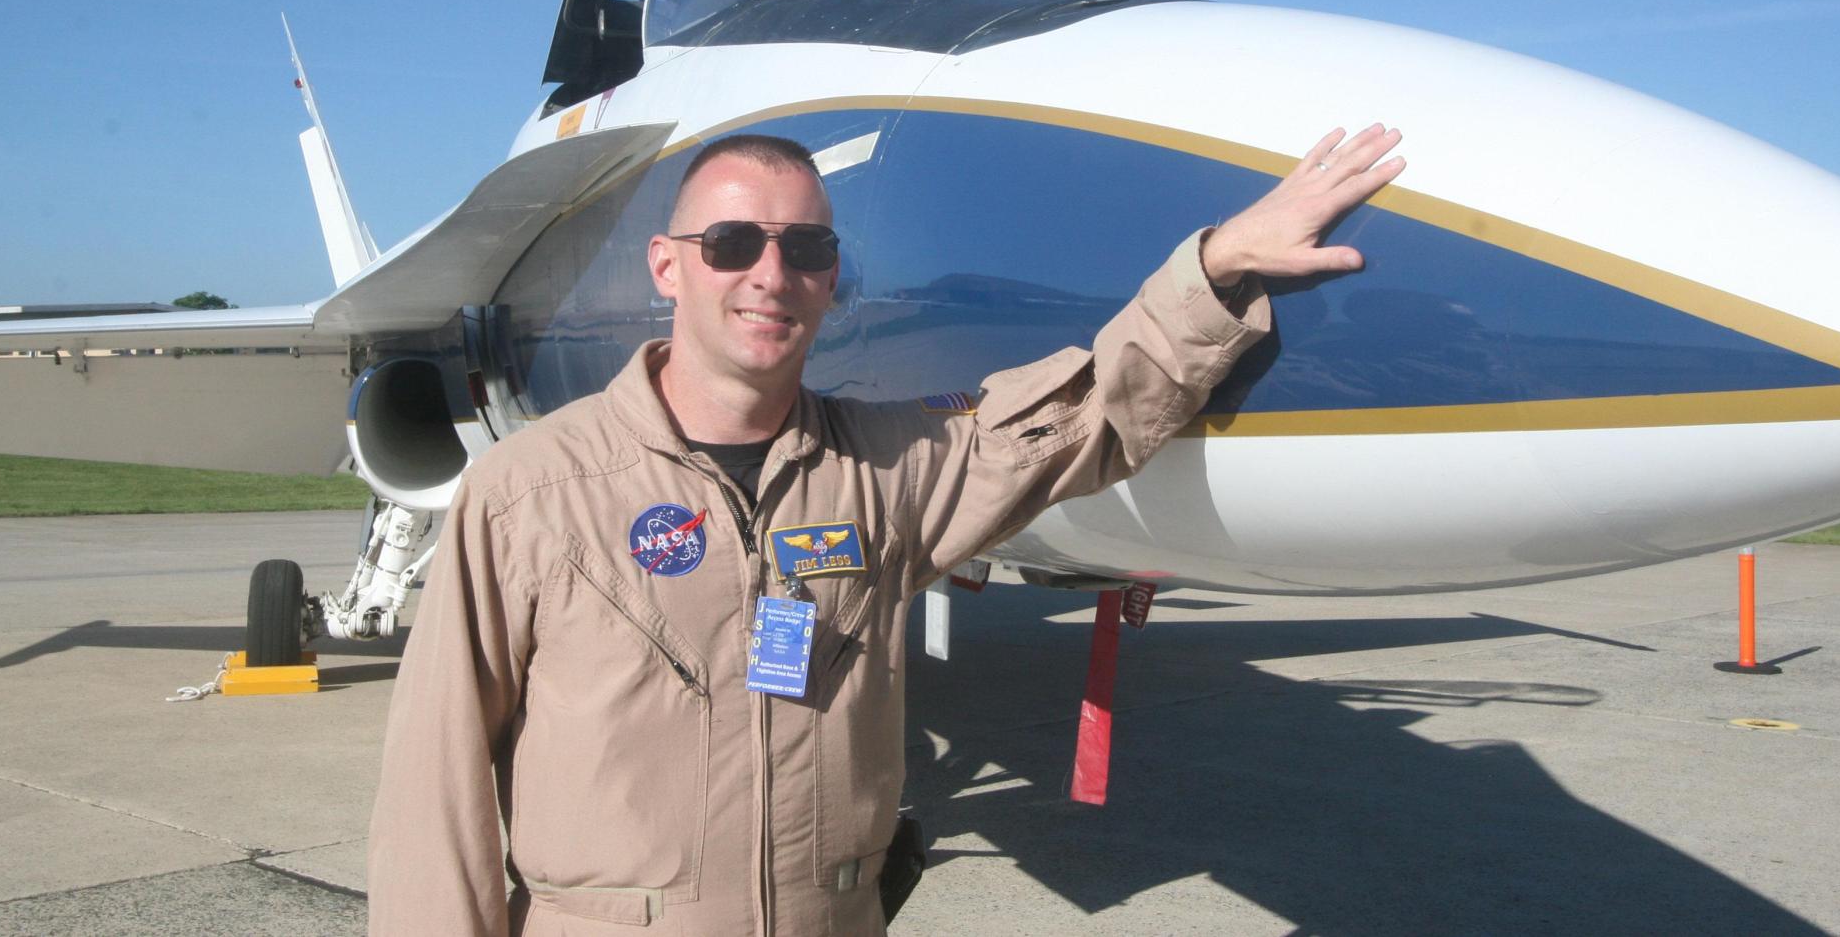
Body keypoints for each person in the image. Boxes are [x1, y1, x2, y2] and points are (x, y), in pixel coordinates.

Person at [369, 123, 1404, 936]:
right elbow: (436, 796)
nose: (769, 275)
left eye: (805, 248)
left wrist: (1216, 265)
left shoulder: (884, 470)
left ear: (829, 277)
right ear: (666, 266)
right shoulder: (531, 492)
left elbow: (1082, 417)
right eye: (730, 244)